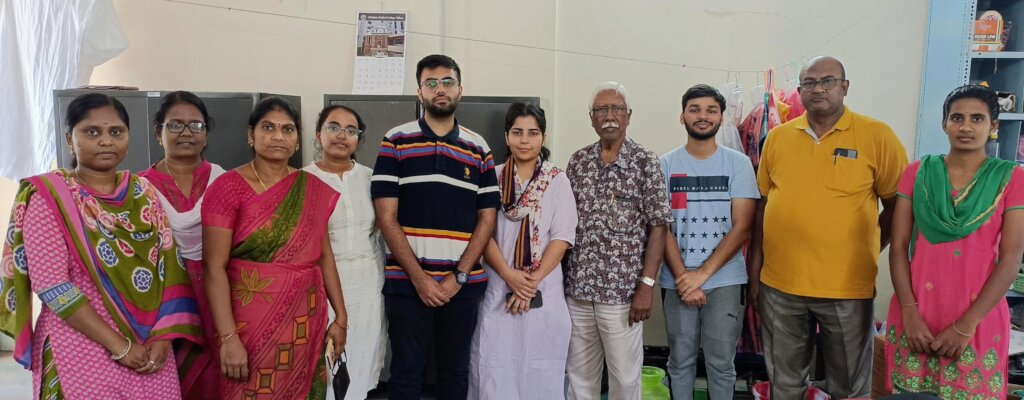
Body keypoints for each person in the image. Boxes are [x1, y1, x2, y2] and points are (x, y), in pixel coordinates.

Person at [0, 93, 203, 398]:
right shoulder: (49, 198)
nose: (106, 141)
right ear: (70, 140)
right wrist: (119, 346)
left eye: (116, 132)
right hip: (79, 344)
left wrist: (163, 337)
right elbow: (53, 285)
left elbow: (170, 267)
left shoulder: (143, 192)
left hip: (149, 345)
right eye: (92, 132)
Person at [750, 56, 909, 399]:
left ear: (844, 87)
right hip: (780, 287)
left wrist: (868, 246)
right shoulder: (778, 138)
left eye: (827, 81)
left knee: (848, 387)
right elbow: (762, 207)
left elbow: (898, 206)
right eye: (809, 83)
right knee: (784, 384)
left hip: (847, 288)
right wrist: (755, 271)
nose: (818, 89)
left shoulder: (877, 136)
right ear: (800, 90)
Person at [371, 54, 499, 399]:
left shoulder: (479, 148)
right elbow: (386, 216)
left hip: (462, 286)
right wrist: (419, 279)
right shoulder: (395, 140)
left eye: (447, 82)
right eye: (431, 83)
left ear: (460, 89)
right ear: (420, 92)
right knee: (405, 373)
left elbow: (487, 218)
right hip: (407, 284)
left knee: (455, 373)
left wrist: (459, 276)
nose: (440, 89)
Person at [202, 96, 347, 399]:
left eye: (287, 129)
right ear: (250, 134)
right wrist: (228, 337)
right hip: (247, 324)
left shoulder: (310, 188)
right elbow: (213, 267)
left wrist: (341, 318)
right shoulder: (228, 187)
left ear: (297, 140)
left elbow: (324, 257)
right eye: (268, 127)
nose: (278, 136)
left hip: (303, 320)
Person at [885, 85, 1024, 399]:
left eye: (977, 118)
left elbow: (1011, 257)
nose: (966, 126)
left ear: (993, 125)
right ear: (944, 123)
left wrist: (966, 325)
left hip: (978, 317)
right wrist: (909, 312)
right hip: (917, 312)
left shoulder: (1011, 178)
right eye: (957, 117)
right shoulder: (918, 173)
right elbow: (899, 245)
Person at [564, 81, 672, 400]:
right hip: (578, 291)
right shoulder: (578, 162)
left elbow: (659, 226)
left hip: (623, 295)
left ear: (628, 116)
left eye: (617, 109)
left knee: (624, 379)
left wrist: (646, 286)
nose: (609, 116)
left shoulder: (645, 161)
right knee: (579, 378)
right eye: (601, 109)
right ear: (591, 118)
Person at [468, 103, 578, 399]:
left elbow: (562, 237)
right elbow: (483, 233)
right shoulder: (491, 177)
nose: (525, 140)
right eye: (517, 132)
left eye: (533, 133)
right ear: (506, 136)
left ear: (543, 137)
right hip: (498, 284)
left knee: (539, 369)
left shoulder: (557, 180)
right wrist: (509, 276)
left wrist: (529, 283)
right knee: (494, 365)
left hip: (542, 288)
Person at [660, 84, 759, 400]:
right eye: (695, 109)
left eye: (711, 110)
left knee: (721, 364)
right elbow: (662, 228)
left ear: (721, 117)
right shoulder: (664, 165)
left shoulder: (738, 164)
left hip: (725, 281)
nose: (702, 116)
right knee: (680, 362)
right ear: (682, 116)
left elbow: (742, 227)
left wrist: (700, 275)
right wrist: (683, 278)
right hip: (677, 280)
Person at [138, 90, 226, 399]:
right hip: (162, 301)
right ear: (158, 132)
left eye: (196, 125)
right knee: (169, 376)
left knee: (217, 378)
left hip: (218, 294)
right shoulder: (139, 188)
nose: (186, 133)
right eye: (175, 125)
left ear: (206, 133)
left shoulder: (224, 181)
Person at [303, 105, 387, 399]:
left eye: (351, 131)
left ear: (359, 140)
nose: (342, 135)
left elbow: (381, 227)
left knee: (361, 361)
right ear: (318, 135)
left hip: (368, 285)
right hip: (321, 287)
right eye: (333, 127)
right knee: (323, 365)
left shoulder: (372, 179)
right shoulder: (301, 180)